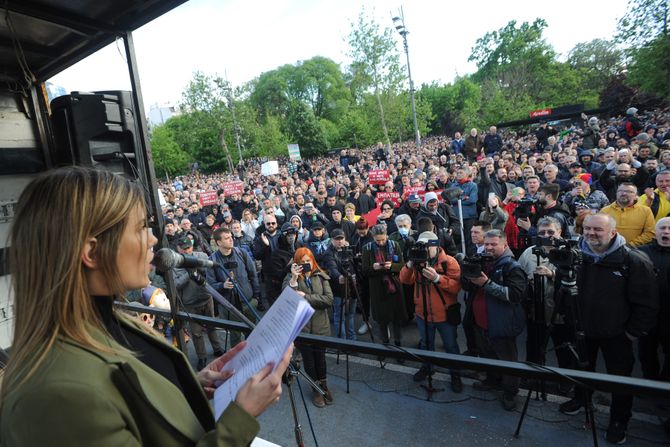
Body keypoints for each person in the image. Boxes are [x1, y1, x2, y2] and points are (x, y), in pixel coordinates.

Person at [1, 167, 292, 446]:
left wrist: (189, 385)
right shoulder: (57, 398)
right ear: (92, 252)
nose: (153, 239)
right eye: (141, 227)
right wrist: (240, 419)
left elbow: (137, 409)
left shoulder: (107, 319)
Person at [559, 213, 658, 444]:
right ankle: (581, 400)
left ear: (612, 232)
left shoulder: (633, 261)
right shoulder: (576, 257)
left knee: (620, 381)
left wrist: (632, 333)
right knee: (582, 371)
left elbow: (647, 303)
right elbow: (562, 289)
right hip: (582, 330)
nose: (591, 233)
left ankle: (619, 420)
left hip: (617, 335)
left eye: (597, 230)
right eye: (587, 229)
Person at [461, 229, 527, 411]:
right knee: (487, 355)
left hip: (501, 324)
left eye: (493, 244)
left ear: (504, 245)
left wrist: (486, 284)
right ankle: (492, 380)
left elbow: (515, 295)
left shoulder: (512, 267)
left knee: (507, 361)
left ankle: (510, 392)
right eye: (486, 244)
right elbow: (467, 286)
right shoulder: (483, 262)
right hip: (481, 322)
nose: (488, 248)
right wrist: (467, 275)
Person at [399, 231, 463, 392]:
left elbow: (456, 288)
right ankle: (427, 367)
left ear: (436, 246)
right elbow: (404, 280)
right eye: (422, 247)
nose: (424, 251)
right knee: (426, 343)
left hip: (445, 313)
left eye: (427, 247)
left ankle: (455, 373)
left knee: (451, 346)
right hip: (423, 313)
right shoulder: (418, 262)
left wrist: (437, 278)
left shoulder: (449, 262)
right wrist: (410, 264)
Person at [283, 248, 334, 408]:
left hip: (320, 326)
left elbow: (328, 300)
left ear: (313, 260)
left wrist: (306, 297)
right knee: (309, 360)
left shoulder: (321, 275)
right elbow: (287, 299)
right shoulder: (291, 278)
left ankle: (323, 384)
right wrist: (293, 278)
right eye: (302, 262)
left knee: (321, 359)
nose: (306, 264)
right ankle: (316, 389)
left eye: (308, 261)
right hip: (301, 327)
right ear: (296, 263)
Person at [174, 237, 224, 370]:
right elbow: (176, 284)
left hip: (206, 298)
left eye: (189, 248)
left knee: (212, 325)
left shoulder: (201, 256)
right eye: (183, 249)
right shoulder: (175, 263)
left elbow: (211, 274)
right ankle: (201, 357)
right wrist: (190, 273)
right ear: (178, 249)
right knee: (196, 333)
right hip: (190, 303)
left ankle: (217, 349)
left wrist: (200, 269)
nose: (187, 251)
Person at [207, 228, 261, 347]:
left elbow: (253, 275)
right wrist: (222, 285)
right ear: (219, 243)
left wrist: (256, 298)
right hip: (229, 307)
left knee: (253, 335)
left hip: (248, 302)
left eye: (231, 236)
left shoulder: (242, 253)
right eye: (227, 238)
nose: (231, 239)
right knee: (235, 339)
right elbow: (210, 286)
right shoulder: (212, 261)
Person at [361, 224, 406, 350]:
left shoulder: (394, 245)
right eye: (377, 240)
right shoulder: (367, 248)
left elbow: (402, 265)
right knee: (382, 320)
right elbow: (364, 270)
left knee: (396, 319)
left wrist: (392, 266)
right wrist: (373, 268)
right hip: (378, 288)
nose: (381, 242)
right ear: (373, 238)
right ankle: (385, 344)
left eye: (383, 239)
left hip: (394, 286)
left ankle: (398, 344)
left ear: (387, 236)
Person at [637, 217, 670, 382]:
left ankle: (664, 387)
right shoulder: (641, 252)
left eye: (669, 229)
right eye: (663, 228)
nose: (666, 232)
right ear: (655, 232)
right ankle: (649, 382)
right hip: (647, 315)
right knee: (646, 352)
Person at [601, 182, 656, 247]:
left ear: (636, 196)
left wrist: (631, 245)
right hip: (609, 251)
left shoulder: (646, 211)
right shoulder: (605, 211)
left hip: (636, 251)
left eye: (629, 192)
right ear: (616, 193)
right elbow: (599, 231)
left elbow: (650, 233)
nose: (624, 193)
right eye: (620, 191)